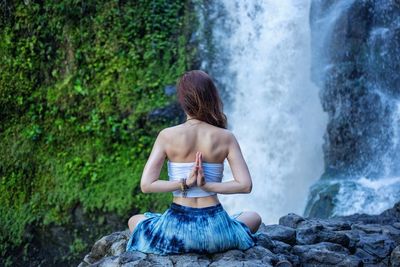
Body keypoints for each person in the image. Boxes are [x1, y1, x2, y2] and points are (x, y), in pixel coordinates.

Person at [125, 70, 262, 255]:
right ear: (212, 97)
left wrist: (183, 184)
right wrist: (208, 186)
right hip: (216, 231)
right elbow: (245, 185)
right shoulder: (226, 137)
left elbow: (147, 185)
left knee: (135, 220)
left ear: (183, 100)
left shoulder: (167, 135)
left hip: (175, 233)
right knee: (253, 217)